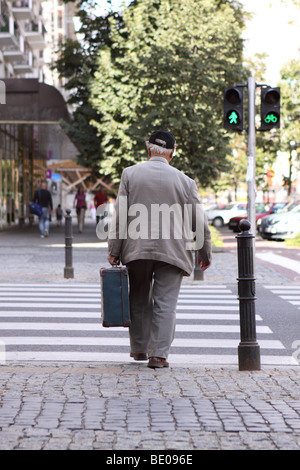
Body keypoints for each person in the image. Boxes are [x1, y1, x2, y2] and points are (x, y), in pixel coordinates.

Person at [107, 130, 212, 369]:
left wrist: (114, 248)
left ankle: (140, 349)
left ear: (148, 149)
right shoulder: (186, 182)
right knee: (166, 303)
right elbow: (199, 221)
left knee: (139, 298)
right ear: (172, 153)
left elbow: (120, 215)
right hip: (173, 251)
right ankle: (159, 355)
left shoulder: (130, 174)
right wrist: (204, 253)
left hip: (137, 248)